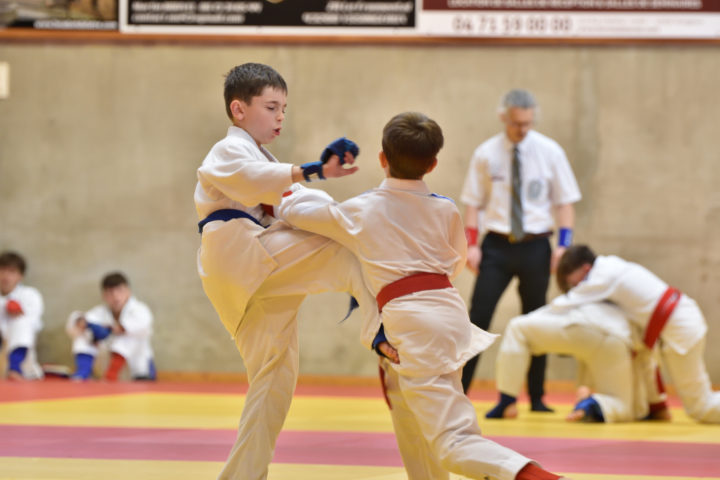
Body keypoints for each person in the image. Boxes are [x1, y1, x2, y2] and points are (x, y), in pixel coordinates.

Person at [276, 112, 569, 480]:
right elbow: (456, 262)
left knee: (453, 441)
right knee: (407, 407)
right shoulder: (445, 208)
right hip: (447, 311)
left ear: (382, 159)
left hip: (412, 322)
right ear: (432, 165)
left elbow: (296, 212)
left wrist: (290, 183)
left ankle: (532, 476)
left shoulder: (362, 209)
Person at [194, 63, 380, 480]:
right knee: (347, 254)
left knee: (273, 384)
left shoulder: (267, 160)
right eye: (271, 107)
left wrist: (344, 208)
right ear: (238, 109)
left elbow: (294, 199)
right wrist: (314, 171)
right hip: (243, 256)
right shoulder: (227, 151)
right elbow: (256, 180)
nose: (280, 117)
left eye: (284, 109)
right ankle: (381, 334)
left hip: (255, 274)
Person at [460, 89, 582, 411]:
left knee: (536, 319)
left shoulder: (550, 152)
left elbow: (565, 203)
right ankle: (459, 392)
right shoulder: (486, 153)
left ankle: (537, 397)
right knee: (478, 316)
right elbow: (473, 203)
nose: (522, 129)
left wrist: (563, 246)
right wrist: (471, 245)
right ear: (504, 117)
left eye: (527, 123)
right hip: (497, 245)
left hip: (536, 245)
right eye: (516, 123)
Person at [554, 244, 720, 423]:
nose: (575, 286)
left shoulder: (602, 277)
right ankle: (656, 408)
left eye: (574, 282)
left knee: (701, 407)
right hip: (681, 319)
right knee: (644, 358)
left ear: (586, 269)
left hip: (680, 327)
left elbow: (564, 304)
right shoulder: (611, 267)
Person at [485, 301, 667, 423]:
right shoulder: (634, 311)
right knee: (622, 406)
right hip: (615, 341)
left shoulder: (586, 293)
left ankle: (507, 401)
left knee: (518, 328)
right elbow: (649, 365)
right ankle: (591, 405)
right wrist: (658, 405)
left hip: (578, 326)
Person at [65, 272, 155, 381]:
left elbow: (141, 326)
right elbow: (74, 324)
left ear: (128, 291)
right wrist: (84, 323)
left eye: (120, 291)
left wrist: (113, 329)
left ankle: (112, 374)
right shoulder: (99, 312)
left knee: (128, 335)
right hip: (106, 371)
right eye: (110, 293)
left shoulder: (140, 309)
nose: (116, 297)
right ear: (104, 295)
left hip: (138, 370)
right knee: (85, 334)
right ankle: (82, 373)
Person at [0, 251, 44, 380]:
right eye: (2, 270)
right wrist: (4, 305)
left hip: (23, 361)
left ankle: (15, 368)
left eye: (12, 271)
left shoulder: (30, 295)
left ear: (20, 276)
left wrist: (18, 311)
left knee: (22, 322)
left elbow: (35, 324)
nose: (6, 276)